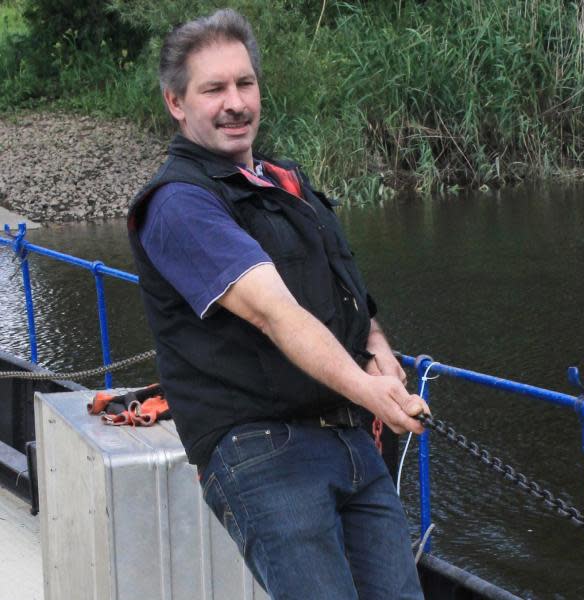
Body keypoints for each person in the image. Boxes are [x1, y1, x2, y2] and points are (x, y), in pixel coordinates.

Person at [127, 9, 428, 599]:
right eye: (213, 88)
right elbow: (275, 312)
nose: (235, 102)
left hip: (349, 437)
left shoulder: (283, 180)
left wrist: (378, 351)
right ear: (176, 103)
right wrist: (371, 392)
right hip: (264, 452)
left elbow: (345, 291)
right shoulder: (180, 205)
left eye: (245, 83)